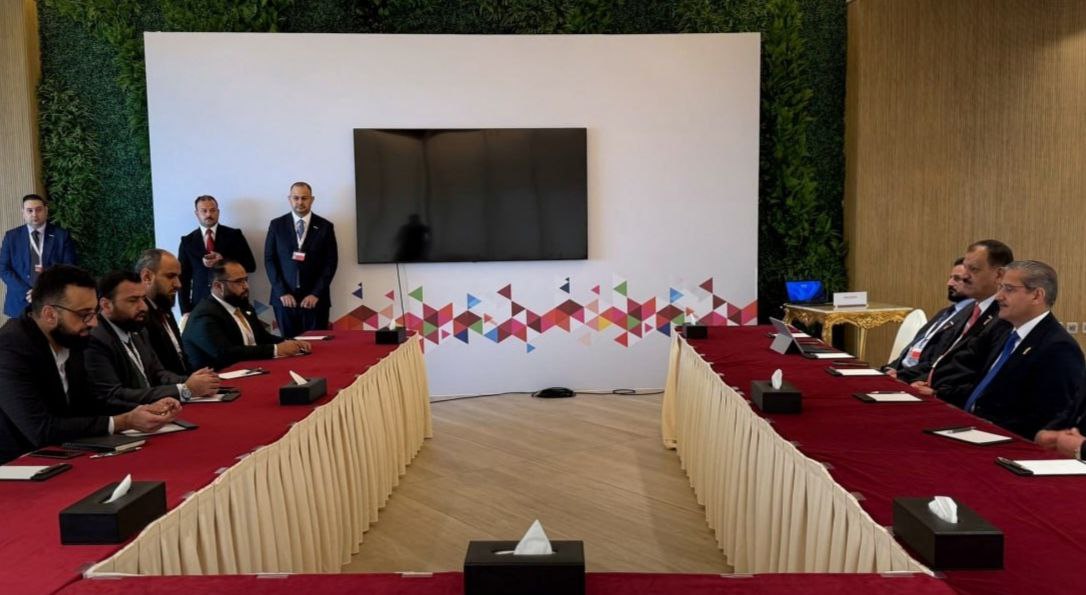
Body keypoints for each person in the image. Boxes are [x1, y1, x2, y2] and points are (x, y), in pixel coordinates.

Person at [0, 265, 179, 464]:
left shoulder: (70, 338)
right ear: (50, 314)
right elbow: (41, 429)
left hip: (68, 454)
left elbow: (91, 402)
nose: (94, 323)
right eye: (84, 314)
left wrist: (144, 409)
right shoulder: (10, 349)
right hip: (17, 466)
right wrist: (123, 421)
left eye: (94, 313)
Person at [931, 260, 1084, 440]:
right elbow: (984, 390)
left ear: (1037, 296)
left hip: (1004, 441)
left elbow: (1049, 417)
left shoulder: (1058, 348)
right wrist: (938, 394)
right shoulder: (1004, 333)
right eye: (1000, 288)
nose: (998, 296)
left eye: (1009, 289)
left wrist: (987, 428)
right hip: (969, 428)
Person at [85, 271, 219, 410]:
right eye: (133, 300)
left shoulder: (138, 329)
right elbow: (114, 395)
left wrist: (196, 381)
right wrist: (184, 390)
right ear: (106, 305)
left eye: (143, 299)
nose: (143, 307)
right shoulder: (95, 339)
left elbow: (158, 374)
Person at [912, 239, 1014, 394]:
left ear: (999, 275)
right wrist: (908, 378)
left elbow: (982, 377)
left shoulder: (1004, 317)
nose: (964, 276)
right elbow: (941, 360)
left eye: (973, 269)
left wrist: (938, 394)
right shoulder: (968, 310)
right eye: (965, 267)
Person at [182, 260, 311, 370]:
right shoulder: (204, 315)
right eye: (239, 282)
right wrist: (276, 349)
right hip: (219, 379)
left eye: (246, 280)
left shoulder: (242, 305)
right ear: (218, 286)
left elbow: (263, 338)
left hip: (251, 369)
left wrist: (291, 342)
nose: (246, 286)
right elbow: (225, 354)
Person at [264, 181, 338, 337]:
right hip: (284, 300)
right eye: (295, 198)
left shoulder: (325, 226)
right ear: (289, 199)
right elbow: (270, 260)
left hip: (315, 301)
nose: (300, 202)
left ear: (312, 199)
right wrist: (282, 292)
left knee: (317, 346)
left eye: (304, 198)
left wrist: (316, 293)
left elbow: (330, 263)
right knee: (289, 345)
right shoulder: (276, 225)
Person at [885, 258, 974, 382]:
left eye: (957, 279)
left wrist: (900, 375)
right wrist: (889, 368)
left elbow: (937, 362)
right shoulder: (945, 312)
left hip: (915, 380)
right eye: (950, 278)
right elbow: (913, 349)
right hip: (901, 373)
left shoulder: (970, 317)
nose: (949, 283)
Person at [0, 194, 78, 318]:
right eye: (29, 210)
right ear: (23, 212)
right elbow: (3, 268)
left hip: (51, 299)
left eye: (38, 210)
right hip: (19, 302)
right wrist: (27, 292)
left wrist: (43, 288)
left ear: (46, 210)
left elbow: (69, 269)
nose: (34, 214)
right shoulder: (11, 237)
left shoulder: (61, 236)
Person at [178, 195, 256, 315]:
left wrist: (223, 260)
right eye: (204, 211)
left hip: (233, 301)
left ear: (218, 212)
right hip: (200, 304)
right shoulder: (187, 242)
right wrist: (185, 311)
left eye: (212, 210)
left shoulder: (234, 235)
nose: (209, 214)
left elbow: (250, 265)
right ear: (197, 213)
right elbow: (183, 279)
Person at [135, 249, 190, 375]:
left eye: (178, 277)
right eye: (170, 276)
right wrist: (187, 383)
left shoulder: (164, 309)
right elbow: (154, 373)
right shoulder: (139, 317)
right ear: (147, 277)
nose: (178, 284)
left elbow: (181, 358)